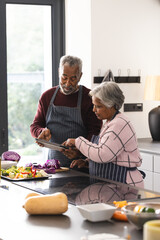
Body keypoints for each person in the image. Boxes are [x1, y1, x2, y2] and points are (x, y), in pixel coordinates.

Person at [63, 81, 144, 188]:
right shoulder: (110, 122)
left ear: (111, 105)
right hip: (113, 185)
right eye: (94, 105)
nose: (94, 110)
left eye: (98, 106)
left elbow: (103, 154)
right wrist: (87, 162)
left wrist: (78, 142)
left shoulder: (119, 124)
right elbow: (111, 154)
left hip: (125, 185)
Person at [30, 55, 102, 168]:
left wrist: (80, 151)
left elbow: (95, 134)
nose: (68, 83)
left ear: (80, 76)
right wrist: (40, 132)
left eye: (73, 79)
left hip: (81, 165)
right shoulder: (47, 96)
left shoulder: (88, 98)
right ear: (59, 72)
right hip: (53, 167)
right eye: (64, 77)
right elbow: (35, 125)